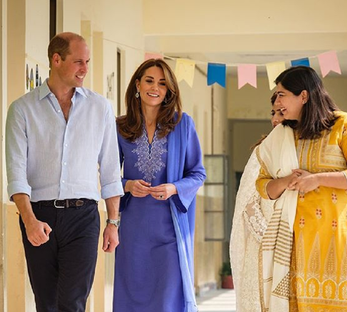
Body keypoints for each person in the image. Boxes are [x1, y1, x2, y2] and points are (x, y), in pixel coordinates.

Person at [5, 32, 124, 312]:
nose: (85, 69)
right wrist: (29, 220)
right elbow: (16, 172)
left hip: (83, 216)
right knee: (47, 303)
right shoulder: (22, 110)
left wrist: (113, 223)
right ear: (56, 60)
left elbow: (109, 171)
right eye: (78, 62)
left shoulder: (100, 108)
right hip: (39, 215)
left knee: (72, 302)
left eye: (87, 62)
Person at [256, 66, 347, 311]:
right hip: (296, 238)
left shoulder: (342, 124)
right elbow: (262, 185)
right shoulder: (283, 134)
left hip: (339, 235)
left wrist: (318, 179)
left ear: (303, 96)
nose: (277, 101)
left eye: (282, 94)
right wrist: (284, 182)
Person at [113, 59, 206, 312]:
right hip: (133, 232)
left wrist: (174, 188)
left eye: (163, 84)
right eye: (150, 81)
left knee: (167, 301)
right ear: (137, 84)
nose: (155, 88)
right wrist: (128, 184)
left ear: (169, 91)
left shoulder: (182, 124)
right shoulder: (120, 127)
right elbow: (108, 177)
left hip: (170, 231)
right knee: (132, 297)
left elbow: (197, 173)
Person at [230, 93, 286, 312]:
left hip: (299, 245)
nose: (275, 119)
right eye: (273, 113)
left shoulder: (309, 151)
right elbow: (248, 202)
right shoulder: (263, 151)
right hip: (263, 245)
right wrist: (271, 238)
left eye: (281, 113)